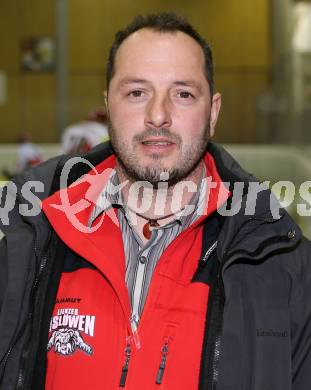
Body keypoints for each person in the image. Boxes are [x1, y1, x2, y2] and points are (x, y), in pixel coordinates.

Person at [0, 12, 311, 390]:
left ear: (212, 113)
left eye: (182, 93)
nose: (158, 115)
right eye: (137, 92)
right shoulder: (26, 245)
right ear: (108, 106)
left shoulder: (286, 267)